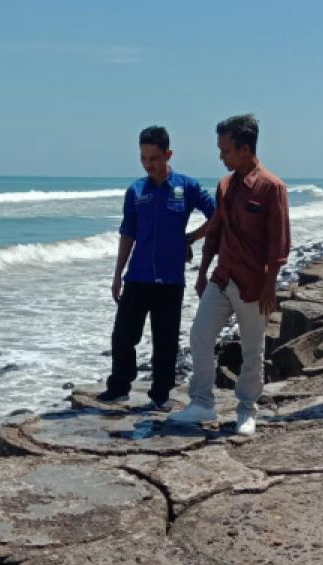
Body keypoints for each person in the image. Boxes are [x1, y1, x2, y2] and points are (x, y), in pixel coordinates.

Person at [167, 114, 290, 436]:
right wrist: (202, 271)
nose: (221, 156)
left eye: (225, 150)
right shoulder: (225, 185)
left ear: (245, 148)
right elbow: (217, 228)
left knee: (253, 349)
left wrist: (270, 287)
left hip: (253, 284)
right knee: (200, 335)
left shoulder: (271, 187)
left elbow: (280, 244)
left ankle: (247, 410)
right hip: (222, 277)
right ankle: (201, 403)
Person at [96, 125, 215, 410]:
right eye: (144, 159)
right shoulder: (136, 191)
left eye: (154, 158)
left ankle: (160, 394)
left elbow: (219, 214)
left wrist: (192, 237)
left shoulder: (187, 187)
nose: (149, 164)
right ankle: (119, 386)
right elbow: (128, 233)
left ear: (168, 154)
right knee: (123, 335)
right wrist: (117, 275)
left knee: (165, 341)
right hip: (137, 276)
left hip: (170, 279)